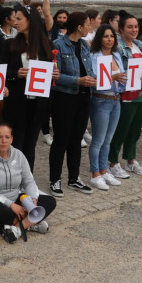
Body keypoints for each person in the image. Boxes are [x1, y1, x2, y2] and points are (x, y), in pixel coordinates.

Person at [0, 122, 56, 240]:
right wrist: (11, 205)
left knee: (50, 201)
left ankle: (16, 228)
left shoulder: (18, 154)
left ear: (12, 138)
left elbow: (29, 181)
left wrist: (33, 199)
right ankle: (30, 222)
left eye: (7, 137)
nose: (4, 141)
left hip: (17, 198)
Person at [3, 6, 57, 169]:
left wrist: (53, 75)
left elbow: (50, 69)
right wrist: (16, 73)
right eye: (15, 19)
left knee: (30, 144)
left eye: (19, 19)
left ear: (30, 21)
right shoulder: (9, 44)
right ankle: (13, 182)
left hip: (38, 103)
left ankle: (28, 182)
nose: (15, 22)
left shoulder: (46, 44)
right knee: (16, 143)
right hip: (16, 102)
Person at [49, 12, 95, 196]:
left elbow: (89, 70)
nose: (90, 28)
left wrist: (93, 80)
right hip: (64, 98)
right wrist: (78, 81)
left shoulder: (85, 45)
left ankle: (74, 178)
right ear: (79, 27)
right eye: (88, 25)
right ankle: (55, 180)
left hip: (83, 98)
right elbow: (56, 76)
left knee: (76, 140)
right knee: (61, 140)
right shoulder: (58, 45)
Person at [109, 12, 142, 176]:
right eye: (130, 27)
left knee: (135, 129)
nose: (134, 30)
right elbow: (119, 71)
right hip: (126, 94)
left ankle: (131, 160)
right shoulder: (118, 47)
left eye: (136, 27)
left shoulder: (139, 44)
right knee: (121, 128)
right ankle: (113, 162)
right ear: (121, 29)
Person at [86, 24, 127, 190]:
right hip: (101, 100)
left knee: (108, 141)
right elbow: (95, 80)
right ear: (99, 39)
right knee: (98, 140)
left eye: (112, 36)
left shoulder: (116, 55)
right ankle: (95, 174)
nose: (109, 39)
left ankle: (104, 170)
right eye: (106, 36)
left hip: (116, 100)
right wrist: (114, 77)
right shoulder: (94, 56)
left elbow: (122, 76)